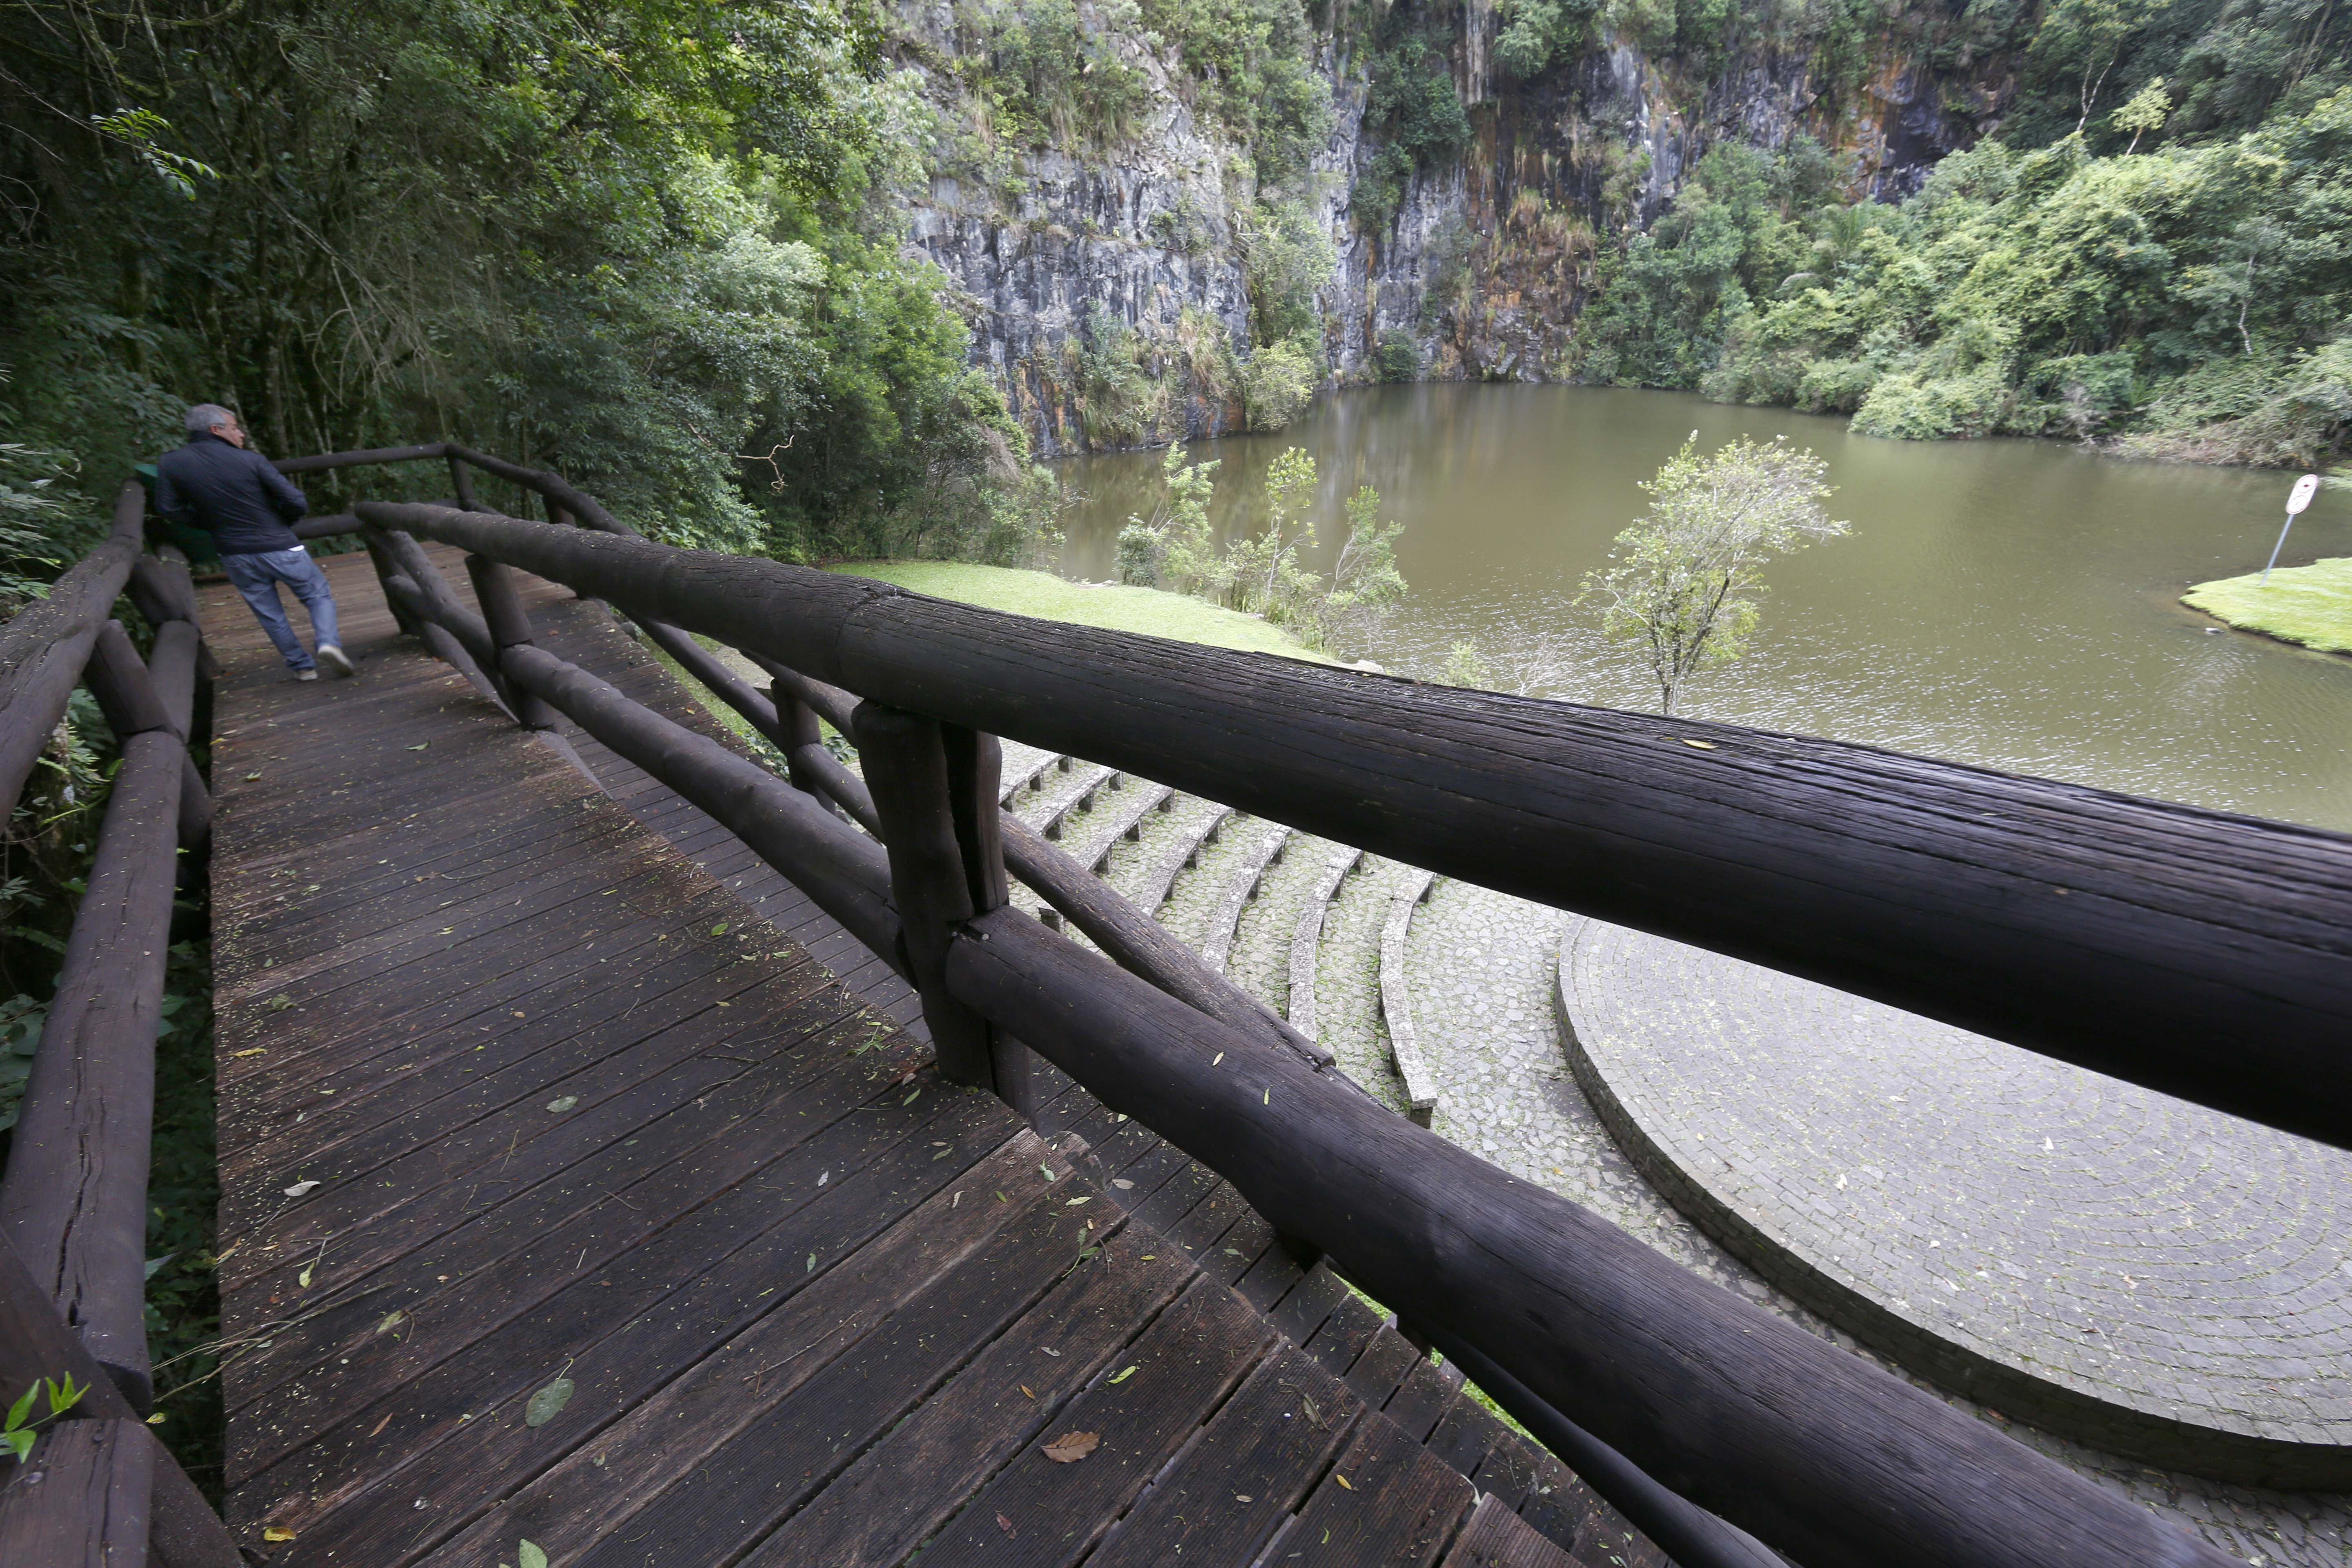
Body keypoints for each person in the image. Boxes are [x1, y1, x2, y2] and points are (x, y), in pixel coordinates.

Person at [155, 404, 352, 681]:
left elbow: (169, 509)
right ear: (216, 430)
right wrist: (283, 522)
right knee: (317, 596)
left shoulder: (171, 463)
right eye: (235, 427)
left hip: (233, 552)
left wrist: (208, 523)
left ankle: (302, 667)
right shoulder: (250, 460)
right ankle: (328, 644)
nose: (241, 434)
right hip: (280, 545)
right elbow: (296, 500)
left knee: (270, 614)